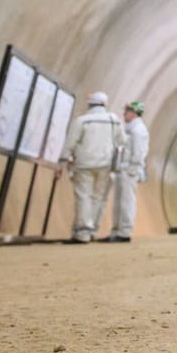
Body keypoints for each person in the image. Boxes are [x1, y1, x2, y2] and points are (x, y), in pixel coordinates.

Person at [61, 91, 124, 245]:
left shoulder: (82, 121)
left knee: (83, 197)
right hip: (106, 165)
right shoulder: (113, 120)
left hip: (83, 165)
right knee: (98, 197)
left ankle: (82, 233)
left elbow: (70, 143)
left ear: (90, 104)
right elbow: (122, 140)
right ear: (104, 104)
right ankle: (92, 230)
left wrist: (63, 161)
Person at [107, 100, 150, 243]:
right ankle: (116, 231)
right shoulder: (130, 128)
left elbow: (138, 152)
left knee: (127, 202)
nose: (124, 114)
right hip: (123, 169)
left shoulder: (138, 130)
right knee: (119, 202)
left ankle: (125, 232)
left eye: (126, 111)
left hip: (129, 170)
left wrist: (133, 169)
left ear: (133, 113)